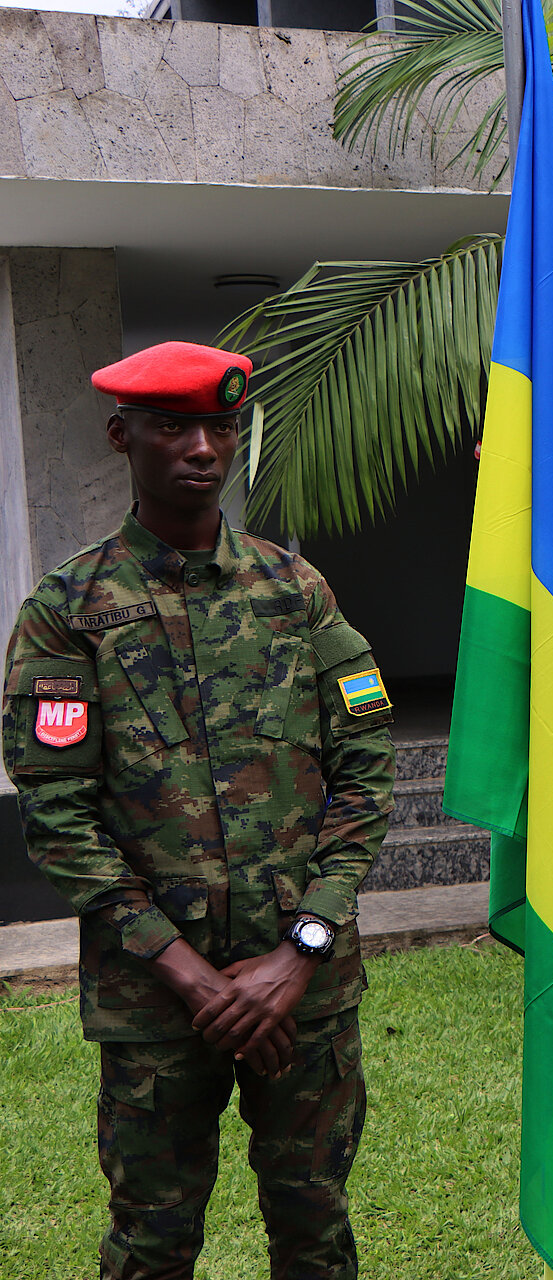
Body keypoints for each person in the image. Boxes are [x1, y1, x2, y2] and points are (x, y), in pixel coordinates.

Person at [0, 341, 396, 1278]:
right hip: (154, 1003)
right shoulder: (68, 609)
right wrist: (193, 979)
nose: (202, 449)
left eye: (220, 427)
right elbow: (58, 813)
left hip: (303, 990)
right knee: (152, 1242)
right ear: (121, 435)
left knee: (315, 1228)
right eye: (172, 428)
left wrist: (299, 952)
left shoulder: (296, 590)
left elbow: (365, 771)